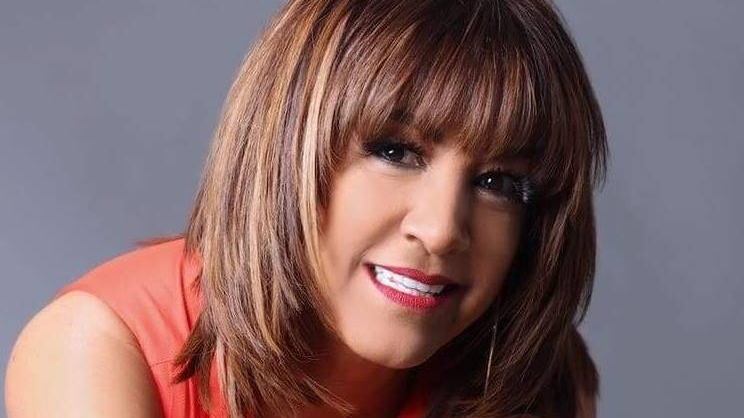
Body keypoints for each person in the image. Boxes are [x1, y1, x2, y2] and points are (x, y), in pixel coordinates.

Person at [5, 0, 608, 417]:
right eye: (395, 152)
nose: (441, 229)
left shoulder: (540, 382)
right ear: (287, 145)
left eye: (499, 182)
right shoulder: (96, 350)